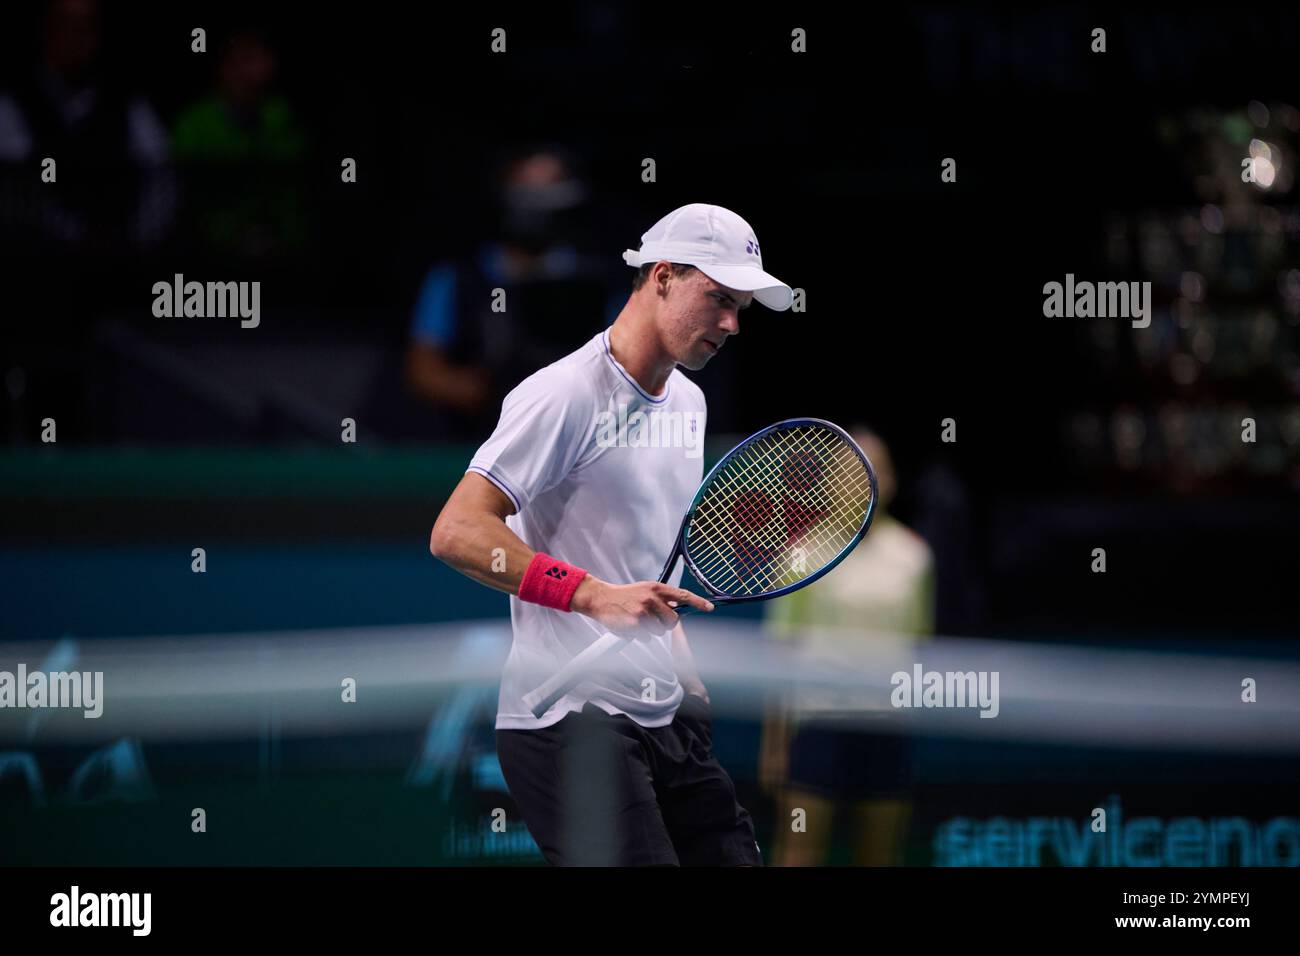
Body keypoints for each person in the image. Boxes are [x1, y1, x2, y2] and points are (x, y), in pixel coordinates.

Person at [429, 203, 793, 865]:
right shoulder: (565, 393)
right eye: (717, 299)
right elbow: (456, 530)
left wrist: (686, 679)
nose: (731, 324)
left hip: (665, 714)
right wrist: (593, 595)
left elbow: (652, 566)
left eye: (740, 307)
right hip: (566, 721)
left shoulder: (690, 401)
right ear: (660, 278)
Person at [759, 428, 935, 865]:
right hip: (817, 728)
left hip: (887, 729)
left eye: (874, 471)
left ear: (891, 480)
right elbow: (781, 655)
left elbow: (919, 651)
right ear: (832, 482)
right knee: (798, 854)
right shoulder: (803, 555)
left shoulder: (914, 558)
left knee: (879, 858)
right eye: (849, 470)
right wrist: (775, 745)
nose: (862, 481)